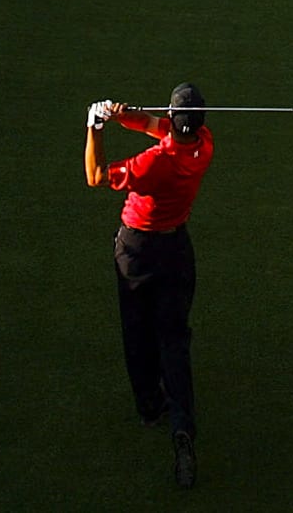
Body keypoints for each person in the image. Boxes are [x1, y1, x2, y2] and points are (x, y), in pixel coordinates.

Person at [85, 83, 214, 490]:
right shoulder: (203, 145)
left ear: (174, 121)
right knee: (174, 338)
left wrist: (96, 128)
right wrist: (122, 115)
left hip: (138, 251)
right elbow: (157, 125)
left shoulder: (153, 163)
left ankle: (149, 406)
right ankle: (182, 426)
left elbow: (96, 176)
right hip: (177, 247)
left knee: (138, 331)